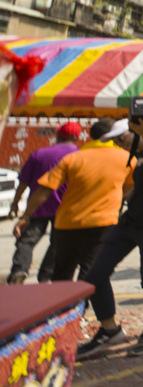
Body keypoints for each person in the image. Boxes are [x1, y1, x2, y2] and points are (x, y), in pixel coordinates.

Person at [77, 103, 143, 359]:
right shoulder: (137, 157)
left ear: (138, 132)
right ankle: (110, 329)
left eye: (121, 139)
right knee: (94, 276)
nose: (119, 145)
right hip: (129, 224)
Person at [12, 118, 132, 283]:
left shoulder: (70, 158)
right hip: (100, 221)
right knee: (89, 269)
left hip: (65, 219)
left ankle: (31, 278)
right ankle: (76, 301)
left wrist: (24, 215)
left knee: (57, 266)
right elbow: (128, 187)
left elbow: (41, 187)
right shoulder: (127, 159)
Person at [6, 121, 81, 283]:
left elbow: (23, 182)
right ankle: (46, 275)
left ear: (58, 135)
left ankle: (19, 270)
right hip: (66, 209)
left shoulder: (39, 154)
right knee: (57, 244)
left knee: (26, 241)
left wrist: (15, 204)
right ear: (76, 138)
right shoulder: (80, 156)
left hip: (37, 206)